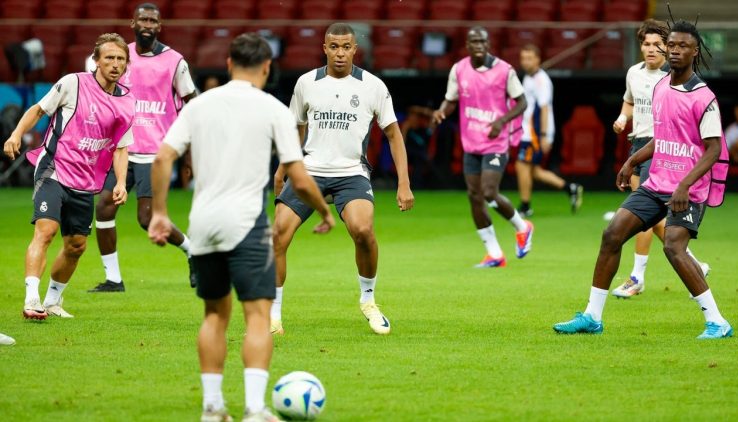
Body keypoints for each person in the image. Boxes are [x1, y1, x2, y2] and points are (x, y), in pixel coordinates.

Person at [148, 33, 334, 422]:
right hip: (246, 223)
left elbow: (163, 158)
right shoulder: (272, 110)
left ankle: (212, 407)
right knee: (257, 316)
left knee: (215, 315)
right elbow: (298, 176)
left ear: (229, 64)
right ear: (267, 68)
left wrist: (161, 212)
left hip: (203, 224)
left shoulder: (200, 106)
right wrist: (323, 211)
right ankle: (253, 408)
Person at [554, 19, 733, 339]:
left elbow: (713, 149)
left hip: (687, 188)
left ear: (695, 51)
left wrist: (685, 185)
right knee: (612, 234)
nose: (675, 50)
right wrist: (633, 160)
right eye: (672, 45)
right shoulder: (661, 85)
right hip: (656, 183)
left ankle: (717, 321)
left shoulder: (704, 98)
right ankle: (592, 316)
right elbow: (661, 135)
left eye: (683, 46)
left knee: (674, 248)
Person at [272, 22, 414, 336]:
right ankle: (273, 315)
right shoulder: (306, 83)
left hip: (351, 173)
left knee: (363, 230)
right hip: (309, 171)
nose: (339, 53)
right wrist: (283, 168)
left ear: (354, 49)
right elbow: (294, 128)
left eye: (345, 47)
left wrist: (403, 183)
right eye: (333, 47)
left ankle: (368, 300)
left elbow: (393, 134)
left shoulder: (373, 86)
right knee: (278, 234)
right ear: (324, 48)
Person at [3, 33, 135, 320]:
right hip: (54, 168)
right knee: (46, 230)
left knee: (76, 246)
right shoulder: (73, 83)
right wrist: (15, 134)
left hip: (86, 180)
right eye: (109, 57)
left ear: (126, 65)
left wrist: (122, 183)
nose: (115, 64)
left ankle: (52, 301)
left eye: (121, 59)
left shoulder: (127, 101)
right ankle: (31, 299)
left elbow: (122, 147)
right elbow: (39, 109)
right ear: (96, 61)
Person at [89, 2, 198, 293]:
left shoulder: (175, 61)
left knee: (147, 219)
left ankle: (193, 252)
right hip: (120, 149)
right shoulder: (119, 56)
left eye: (153, 20)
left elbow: (192, 103)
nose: (148, 24)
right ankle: (113, 279)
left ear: (159, 26)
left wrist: (189, 150)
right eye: (143, 20)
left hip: (155, 151)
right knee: (104, 208)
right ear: (133, 24)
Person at [610, 19, 709, 298]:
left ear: (667, 48)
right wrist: (621, 118)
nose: (651, 49)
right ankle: (694, 263)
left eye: (657, 44)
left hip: (661, 149)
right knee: (647, 216)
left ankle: (636, 277)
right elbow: (630, 102)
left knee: (641, 214)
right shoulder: (634, 73)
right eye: (646, 44)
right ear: (640, 46)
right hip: (637, 145)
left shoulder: (672, 78)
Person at [433, 26, 532, 268]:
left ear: (488, 45)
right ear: (467, 45)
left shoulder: (504, 70)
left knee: (488, 191)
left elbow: (522, 102)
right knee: (474, 197)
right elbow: (451, 99)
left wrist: (501, 121)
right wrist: (442, 111)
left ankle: (522, 226)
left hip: (496, 142)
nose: (478, 45)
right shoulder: (459, 69)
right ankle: (494, 254)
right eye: (473, 41)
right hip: (471, 143)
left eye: (482, 41)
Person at [515, 44, 583, 218]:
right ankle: (571, 189)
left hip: (535, 133)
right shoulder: (529, 78)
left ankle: (525, 206)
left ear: (538, 59)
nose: (525, 62)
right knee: (534, 172)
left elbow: (544, 108)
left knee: (521, 165)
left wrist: (544, 135)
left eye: (529, 58)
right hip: (528, 131)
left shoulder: (541, 80)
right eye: (523, 58)